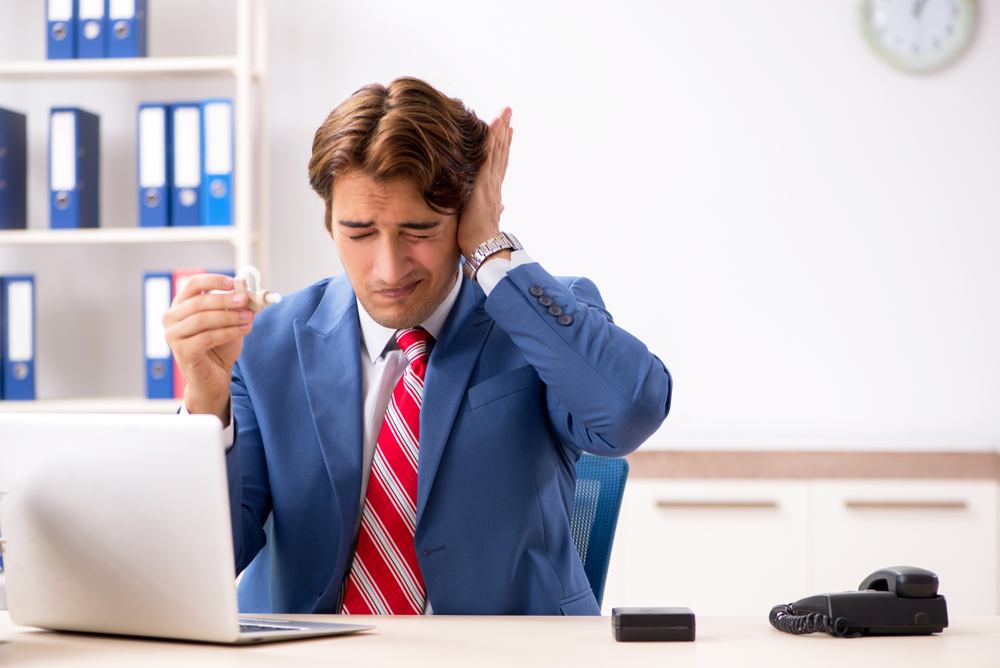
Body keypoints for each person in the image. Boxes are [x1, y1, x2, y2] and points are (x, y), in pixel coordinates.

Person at [164, 77, 672, 616]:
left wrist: (490, 251)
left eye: (420, 231)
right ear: (328, 221)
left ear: (463, 216)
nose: (388, 269)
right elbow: (205, 556)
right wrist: (205, 401)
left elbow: (630, 412)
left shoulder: (538, 320)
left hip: (500, 657)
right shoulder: (266, 343)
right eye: (359, 233)